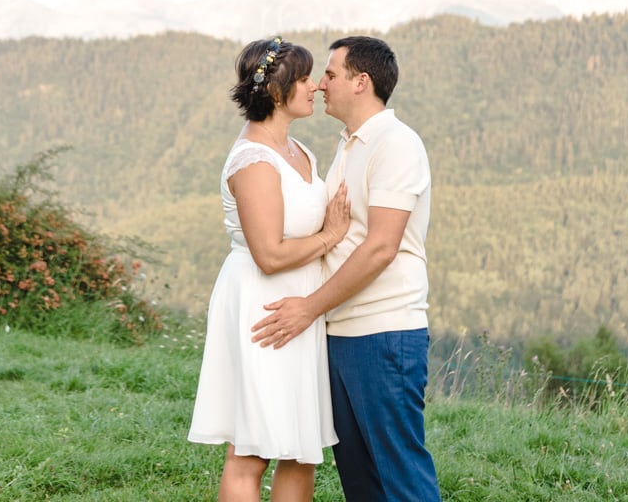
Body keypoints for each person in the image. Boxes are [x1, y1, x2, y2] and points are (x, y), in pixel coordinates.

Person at [252, 35, 440, 502]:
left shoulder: (396, 144)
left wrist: (308, 308)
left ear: (361, 82)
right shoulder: (349, 144)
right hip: (342, 333)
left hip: (384, 332)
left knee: (400, 476)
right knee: (361, 481)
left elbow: (381, 247)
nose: (319, 85)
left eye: (331, 75)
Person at [188, 36, 352, 502]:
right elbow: (270, 254)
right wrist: (330, 237)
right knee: (252, 451)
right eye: (304, 79)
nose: (317, 87)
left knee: (300, 450)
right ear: (278, 92)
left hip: (302, 305)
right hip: (264, 305)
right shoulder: (254, 160)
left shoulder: (300, 152)